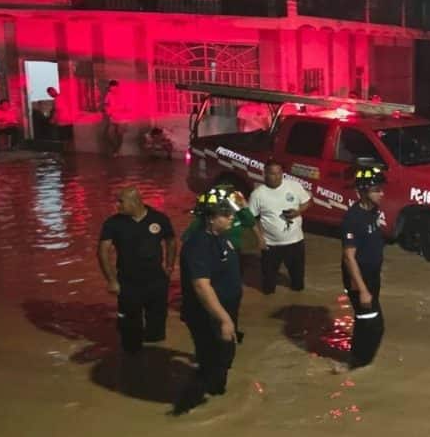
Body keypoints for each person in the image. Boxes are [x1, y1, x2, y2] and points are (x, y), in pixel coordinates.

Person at [175, 187, 243, 412]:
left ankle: (213, 388)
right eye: (226, 214)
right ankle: (198, 401)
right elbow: (201, 286)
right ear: (211, 218)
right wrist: (224, 319)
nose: (232, 217)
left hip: (223, 311)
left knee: (223, 354)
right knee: (213, 359)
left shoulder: (219, 237)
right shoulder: (198, 245)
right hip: (208, 314)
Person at [97, 187, 176, 354]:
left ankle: (155, 361)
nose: (117, 205)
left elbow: (171, 240)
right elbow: (103, 251)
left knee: (157, 325)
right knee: (129, 329)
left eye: (121, 201)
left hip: (156, 281)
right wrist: (111, 280)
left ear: (134, 202)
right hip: (128, 283)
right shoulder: (113, 223)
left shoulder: (159, 219)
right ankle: (131, 358)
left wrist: (169, 267)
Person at [340, 167, 387, 368]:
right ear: (363, 191)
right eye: (376, 190)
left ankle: (356, 357)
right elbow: (349, 257)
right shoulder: (353, 218)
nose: (381, 193)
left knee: (363, 321)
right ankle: (359, 365)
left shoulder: (373, 210)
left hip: (372, 275)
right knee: (375, 325)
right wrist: (363, 290)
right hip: (360, 278)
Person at [249, 160, 311, 294]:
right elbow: (251, 219)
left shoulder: (294, 186)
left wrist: (298, 212)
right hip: (271, 245)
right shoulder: (258, 194)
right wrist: (259, 239)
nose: (276, 177)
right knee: (268, 287)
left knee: (298, 285)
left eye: (279, 173)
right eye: (272, 174)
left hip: (295, 242)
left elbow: (307, 202)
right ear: (265, 174)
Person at [103, 80, 126, 156]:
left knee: (119, 135)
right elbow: (106, 103)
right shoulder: (109, 94)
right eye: (111, 88)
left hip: (121, 118)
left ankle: (117, 150)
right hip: (112, 117)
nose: (112, 89)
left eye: (114, 88)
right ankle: (115, 149)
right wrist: (107, 111)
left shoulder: (123, 94)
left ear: (117, 87)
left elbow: (127, 106)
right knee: (108, 134)